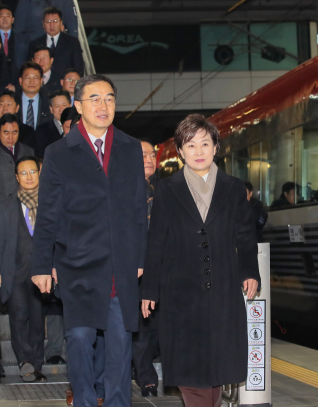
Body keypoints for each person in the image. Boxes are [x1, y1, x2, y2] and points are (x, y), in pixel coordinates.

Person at [31, 74, 148, 406]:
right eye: (94, 99)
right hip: (77, 263)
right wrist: (42, 264)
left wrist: (140, 258)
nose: (103, 105)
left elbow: (139, 207)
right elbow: (48, 214)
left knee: (119, 343)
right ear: (78, 106)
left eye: (109, 98)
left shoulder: (129, 148)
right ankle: (83, 401)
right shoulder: (59, 152)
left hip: (120, 264)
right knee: (80, 339)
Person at [141, 114, 261, 407]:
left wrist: (249, 271)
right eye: (190, 145)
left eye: (204, 144)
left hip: (222, 289)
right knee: (191, 376)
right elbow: (156, 242)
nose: (198, 151)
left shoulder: (233, 188)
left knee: (216, 374)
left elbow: (245, 236)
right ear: (180, 151)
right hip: (179, 293)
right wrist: (149, 290)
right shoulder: (167, 191)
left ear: (216, 147)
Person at [0, 155, 47, 383]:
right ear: (16, 177)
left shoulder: (50, 202)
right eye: (23, 173)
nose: (29, 177)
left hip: (42, 274)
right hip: (15, 273)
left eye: (32, 171)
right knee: (18, 317)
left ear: (39, 173)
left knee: (37, 320)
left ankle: (37, 363)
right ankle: (24, 361)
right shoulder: (6, 206)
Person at [132, 138, 159, 397]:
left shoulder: (163, 190)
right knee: (140, 325)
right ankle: (146, 376)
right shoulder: (123, 190)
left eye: (152, 154)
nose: (149, 159)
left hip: (162, 266)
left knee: (157, 324)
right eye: (143, 155)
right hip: (135, 268)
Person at [14, 0, 78, 42]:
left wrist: (73, 44)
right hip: (34, 41)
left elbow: (72, 21)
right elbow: (19, 22)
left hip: (58, 42)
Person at [26, 7, 84, 77]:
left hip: (64, 83)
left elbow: (79, 67)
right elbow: (29, 67)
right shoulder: (35, 43)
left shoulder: (72, 42)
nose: (52, 25)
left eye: (55, 21)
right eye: (48, 21)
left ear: (61, 23)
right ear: (43, 24)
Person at [16, 61, 54, 129]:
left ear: (41, 81)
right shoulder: (13, 100)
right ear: (20, 81)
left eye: (35, 78)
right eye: (27, 78)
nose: (31, 82)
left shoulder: (50, 100)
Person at [34, 90, 69, 157]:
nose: (61, 109)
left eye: (64, 105)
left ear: (70, 106)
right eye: (57, 106)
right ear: (51, 109)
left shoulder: (78, 128)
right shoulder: (41, 130)